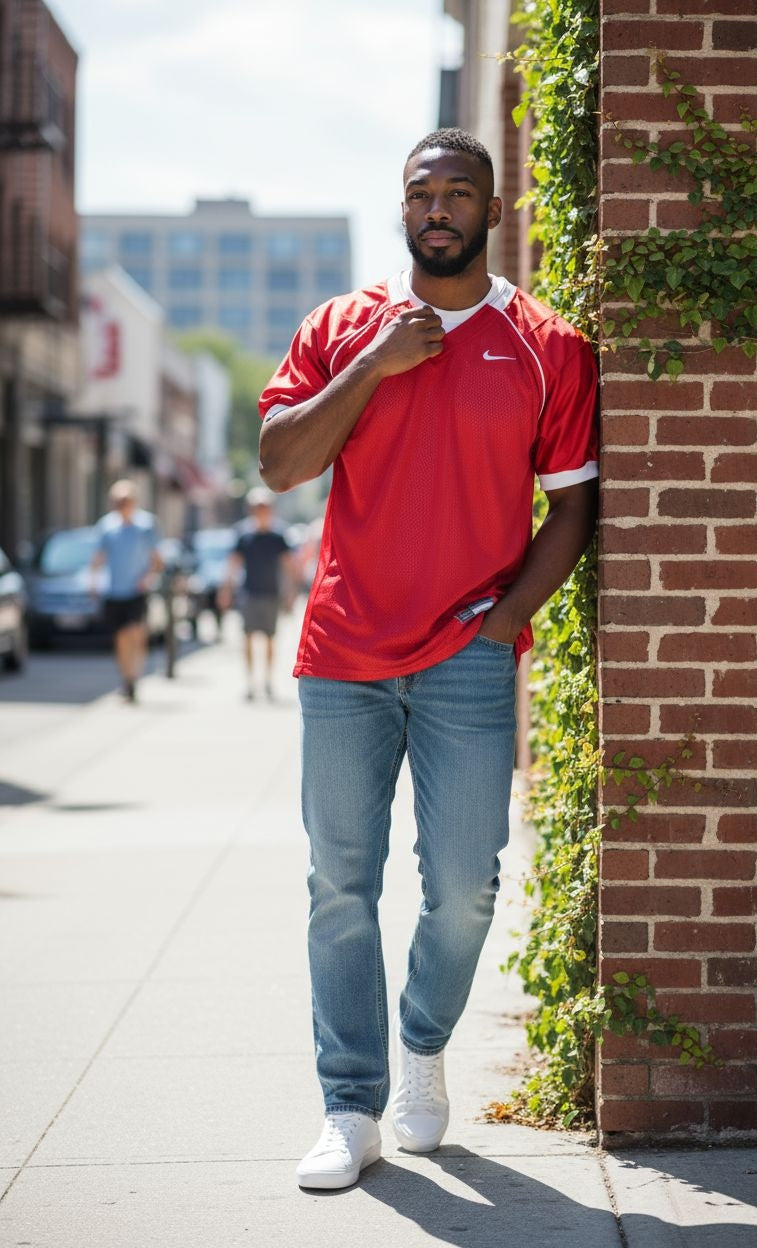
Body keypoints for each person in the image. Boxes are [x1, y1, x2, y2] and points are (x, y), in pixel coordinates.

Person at [258, 128, 598, 1190]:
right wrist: (374, 363)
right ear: (401, 210)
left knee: (463, 884)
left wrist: (504, 624)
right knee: (338, 884)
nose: (440, 208)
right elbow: (279, 464)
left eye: (461, 192)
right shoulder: (341, 327)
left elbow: (574, 506)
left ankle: (419, 1045)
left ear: (495, 212)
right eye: (422, 193)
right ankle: (348, 1106)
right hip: (344, 653)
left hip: (466, 656)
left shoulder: (547, 343)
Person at [91, 479, 163, 703]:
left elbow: (158, 560)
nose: (121, 505)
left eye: (125, 500)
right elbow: (99, 557)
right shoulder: (106, 526)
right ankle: (126, 678)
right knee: (121, 636)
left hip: (137, 590)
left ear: (134, 501)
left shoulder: (146, 525)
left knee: (136, 633)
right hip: (115, 590)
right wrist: (92, 581)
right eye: (117, 501)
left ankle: (135, 677)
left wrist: (148, 578)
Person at [219, 487, 292, 701]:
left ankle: (268, 681)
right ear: (251, 510)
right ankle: (250, 682)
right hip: (249, 594)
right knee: (248, 638)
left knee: (270, 639)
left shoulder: (278, 537)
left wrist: (290, 594)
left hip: (271, 594)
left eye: (265, 507)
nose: (262, 511)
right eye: (258, 507)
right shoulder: (243, 536)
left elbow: (288, 567)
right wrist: (226, 590)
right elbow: (232, 565)